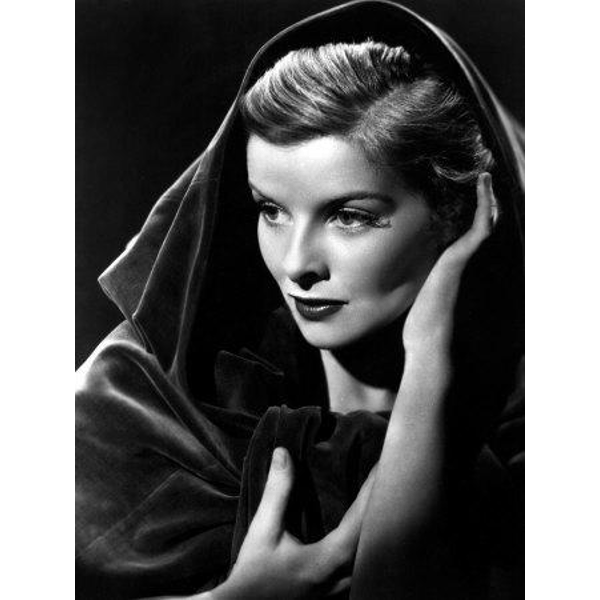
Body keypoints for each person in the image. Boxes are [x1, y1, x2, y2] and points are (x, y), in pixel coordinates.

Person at [76, 2, 524, 598]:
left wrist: (428, 359)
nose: (295, 264)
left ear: (458, 214)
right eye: (272, 210)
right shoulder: (142, 396)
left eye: (349, 216)